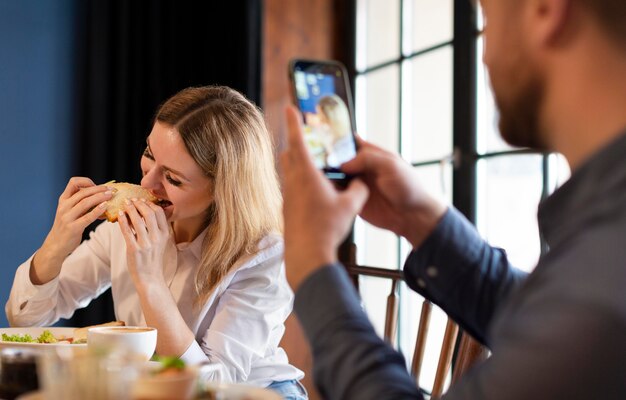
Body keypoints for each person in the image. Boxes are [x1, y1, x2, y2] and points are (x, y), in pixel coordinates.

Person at [279, 0, 626, 399]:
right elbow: (549, 324)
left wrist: (314, 270)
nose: (485, 55)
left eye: (487, 19)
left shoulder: (602, 294)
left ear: (545, 10)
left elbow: (573, 327)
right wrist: (424, 222)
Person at [6, 86, 307, 399]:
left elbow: (210, 387)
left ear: (223, 190)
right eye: (149, 154)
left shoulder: (266, 256)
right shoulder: (123, 226)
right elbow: (25, 320)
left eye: (173, 179)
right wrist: (58, 240)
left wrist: (149, 280)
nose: (147, 183)